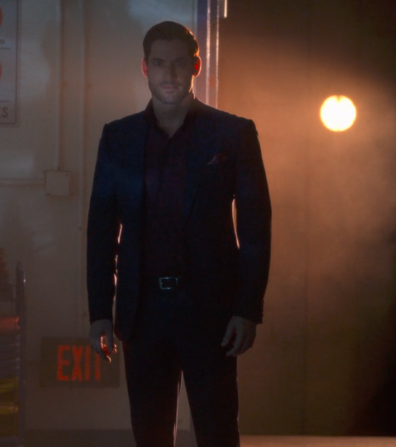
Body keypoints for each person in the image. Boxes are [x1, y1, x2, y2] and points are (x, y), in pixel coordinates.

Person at [87, 21, 272, 447]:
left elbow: (256, 227)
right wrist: (99, 310)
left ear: (195, 67)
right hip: (142, 310)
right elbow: (101, 230)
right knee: (150, 434)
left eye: (178, 64)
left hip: (211, 309)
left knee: (217, 432)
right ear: (144, 68)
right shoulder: (118, 137)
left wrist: (248, 309)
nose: (168, 74)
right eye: (158, 63)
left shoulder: (233, 133)